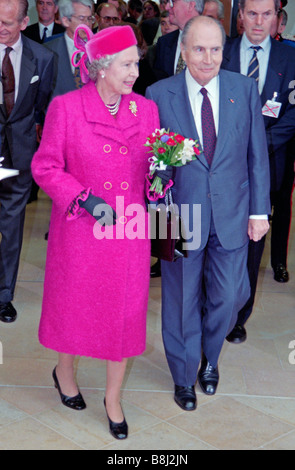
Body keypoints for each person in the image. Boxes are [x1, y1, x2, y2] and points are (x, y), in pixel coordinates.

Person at [31, 24, 160, 439]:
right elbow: (45, 167)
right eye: (126, 65)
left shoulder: (146, 109)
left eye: (136, 64)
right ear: (101, 68)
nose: (134, 73)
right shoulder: (66, 109)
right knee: (75, 309)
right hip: (82, 229)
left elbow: (151, 167)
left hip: (129, 232)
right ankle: (64, 371)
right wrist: (84, 198)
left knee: (123, 316)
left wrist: (161, 178)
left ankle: (112, 397)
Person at [146, 15, 270, 411]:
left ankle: (209, 358)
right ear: (183, 50)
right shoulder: (159, 94)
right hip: (178, 216)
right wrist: (158, 223)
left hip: (233, 212)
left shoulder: (243, 89)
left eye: (216, 49)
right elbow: (151, 165)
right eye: (199, 49)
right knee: (180, 301)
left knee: (231, 295)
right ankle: (184, 375)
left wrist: (258, 211)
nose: (208, 58)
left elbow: (257, 156)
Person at [221, 0, 295, 344]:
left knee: (253, 244)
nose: (259, 21)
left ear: (278, 20)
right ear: (240, 17)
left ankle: (239, 315)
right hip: (219, 166)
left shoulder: (289, 59)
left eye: (267, 14)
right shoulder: (222, 51)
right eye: (252, 13)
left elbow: (291, 117)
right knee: (219, 239)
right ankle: (215, 305)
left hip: (265, 167)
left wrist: (254, 148)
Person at [0, 0, 54, 323]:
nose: (0, 29)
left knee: (12, 228)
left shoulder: (44, 59)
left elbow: (42, 106)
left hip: (19, 158)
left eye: (7, 23)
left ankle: (4, 295)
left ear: (23, 22)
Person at [44, 0, 95, 99]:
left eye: (89, 18)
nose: (87, 24)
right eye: (81, 18)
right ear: (66, 20)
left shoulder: (99, 51)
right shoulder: (47, 51)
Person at [153, 0, 204, 79]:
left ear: (190, 6)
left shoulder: (225, 47)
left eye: (173, 2)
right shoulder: (164, 43)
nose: (167, 7)